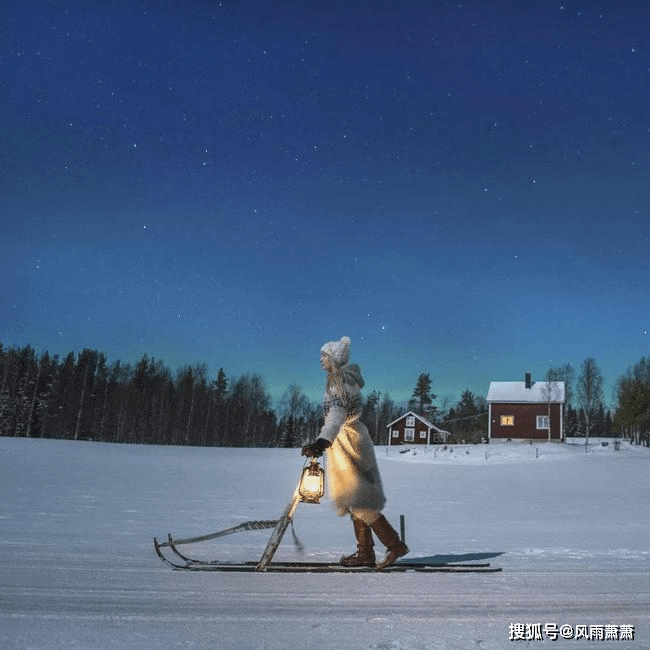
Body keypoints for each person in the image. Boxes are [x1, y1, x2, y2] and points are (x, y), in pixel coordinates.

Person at [302, 336, 408, 570]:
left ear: (334, 359)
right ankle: (365, 554)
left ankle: (394, 545)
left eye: (324, 356)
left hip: (349, 442)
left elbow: (336, 416)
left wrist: (322, 441)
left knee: (358, 500)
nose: (320, 360)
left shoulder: (340, 382)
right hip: (347, 441)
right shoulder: (339, 380)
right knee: (354, 499)